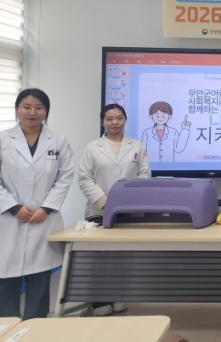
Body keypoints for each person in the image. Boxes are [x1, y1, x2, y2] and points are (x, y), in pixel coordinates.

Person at [0, 88, 75, 319]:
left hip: (44, 220)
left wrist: (46, 208)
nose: (32, 112)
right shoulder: (3, 139)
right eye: (26, 107)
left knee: (40, 282)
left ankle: (35, 329)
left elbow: (65, 177)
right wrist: (14, 207)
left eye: (39, 107)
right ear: (17, 109)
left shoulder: (58, 140)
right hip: (9, 220)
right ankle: (7, 329)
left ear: (46, 111)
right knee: (6, 282)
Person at [78, 103, 151, 316]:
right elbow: (84, 179)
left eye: (119, 118)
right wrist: (105, 201)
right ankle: (99, 301)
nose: (114, 122)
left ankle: (119, 295)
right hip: (99, 210)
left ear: (125, 120)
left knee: (123, 255)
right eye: (109, 119)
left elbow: (145, 175)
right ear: (103, 122)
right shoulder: (92, 148)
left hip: (128, 210)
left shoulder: (136, 145)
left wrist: (126, 199)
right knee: (100, 257)